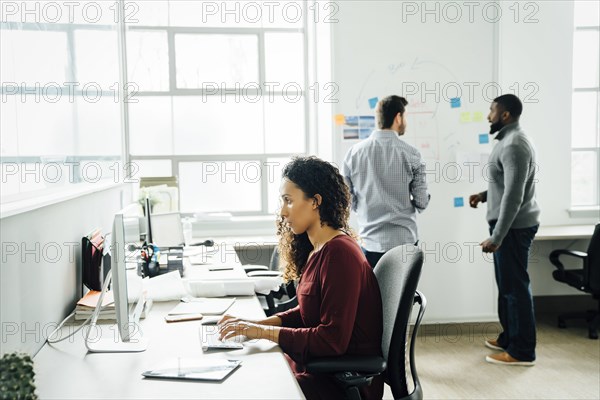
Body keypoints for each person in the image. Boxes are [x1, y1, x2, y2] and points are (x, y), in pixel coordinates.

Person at [218, 156, 384, 400]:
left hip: (339, 381)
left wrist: (259, 332)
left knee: (250, 386)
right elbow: (306, 313)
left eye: (288, 201)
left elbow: (332, 340)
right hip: (318, 368)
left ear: (315, 201)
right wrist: (253, 324)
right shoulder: (318, 249)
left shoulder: (340, 254)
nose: (283, 211)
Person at [469, 94, 541, 366]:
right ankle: (510, 337)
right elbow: (506, 184)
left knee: (515, 288)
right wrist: (484, 195)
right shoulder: (509, 141)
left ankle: (522, 351)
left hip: (512, 228)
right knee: (507, 286)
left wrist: (497, 236)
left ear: (505, 115)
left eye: (491, 110)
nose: (488, 116)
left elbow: (514, 195)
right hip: (508, 225)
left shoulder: (514, 145)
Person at [343, 95, 430, 269]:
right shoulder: (411, 154)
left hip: (369, 243)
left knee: (371, 295)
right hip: (404, 244)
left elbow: (348, 199)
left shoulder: (354, 153)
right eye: (404, 117)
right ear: (398, 117)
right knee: (403, 296)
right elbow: (421, 202)